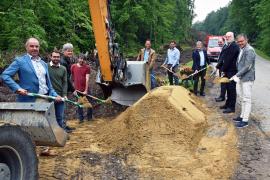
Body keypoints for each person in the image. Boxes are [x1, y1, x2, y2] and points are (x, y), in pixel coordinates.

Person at [1, 37, 62, 156]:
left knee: (45, 125)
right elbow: (5, 75)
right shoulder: (20, 61)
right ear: (26, 47)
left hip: (45, 98)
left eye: (37, 46)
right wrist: (17, 88)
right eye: (32, 46)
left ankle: (45, 149)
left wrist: (55, 95)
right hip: (29, 99)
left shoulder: (44, 64)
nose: (35, 48)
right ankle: (25, 151)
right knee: (27, 126)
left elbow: (48, 85)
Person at [230, 34, 256, 128]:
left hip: (247, 79)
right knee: (242, 98)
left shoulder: (249, 50)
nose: (240, 43)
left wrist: (237, 75)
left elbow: (247, 66)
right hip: (242, 78)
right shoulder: (242, 49)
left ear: (246, 40)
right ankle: (242, 116)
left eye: (242, 41)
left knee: (247, 99)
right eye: (239, 41)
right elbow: (240, 64)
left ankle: (245, 121)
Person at [48, 49, 69, 131]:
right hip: (49, 96)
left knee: (60, 116)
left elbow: (65, 82)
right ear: (51, 57)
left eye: (58, 57)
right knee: (50, 116)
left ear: (60, 58)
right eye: (54, 57)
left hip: (60, 96)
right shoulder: (46, 67)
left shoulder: (63, 69)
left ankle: (60, 133)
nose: (56, 58)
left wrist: (64, 94)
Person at [220, 32, 240, 113]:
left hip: (232, 71)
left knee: (232, 89)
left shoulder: (234, 46)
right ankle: (227, 104)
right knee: (228, 88)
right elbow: (224, 58)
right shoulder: (228, 45)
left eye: (229, 37)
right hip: (228, 70)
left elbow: (228, 60)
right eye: (226, 36)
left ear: (232, 37)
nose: (227, 38)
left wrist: (222, 70)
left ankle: (232, 107)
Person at [71, 54, 93, 123]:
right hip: (77, 89)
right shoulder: (73, 66)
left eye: (83, 59)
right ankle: (81, 119)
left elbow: (87, 79)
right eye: (80, 58)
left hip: (85, 89)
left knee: (89, 103)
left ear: (85, 60)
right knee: (79, 104)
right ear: (78, 59)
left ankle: (89, 117)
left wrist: (86, 90)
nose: (81, 60)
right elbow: (72, 78)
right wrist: (73, 89)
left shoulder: (87, 67)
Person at [215, 37, 227, 102]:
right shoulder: (223, 48)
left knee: (223, 83)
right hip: (221, 68)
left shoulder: (225, 48)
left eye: (220, 42)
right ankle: (221, 96)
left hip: (223, 68)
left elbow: (222, 59)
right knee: (222, 82)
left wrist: (217, 67)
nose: (219, 43)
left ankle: (222, 97)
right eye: (218, 42)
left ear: (224, 41)